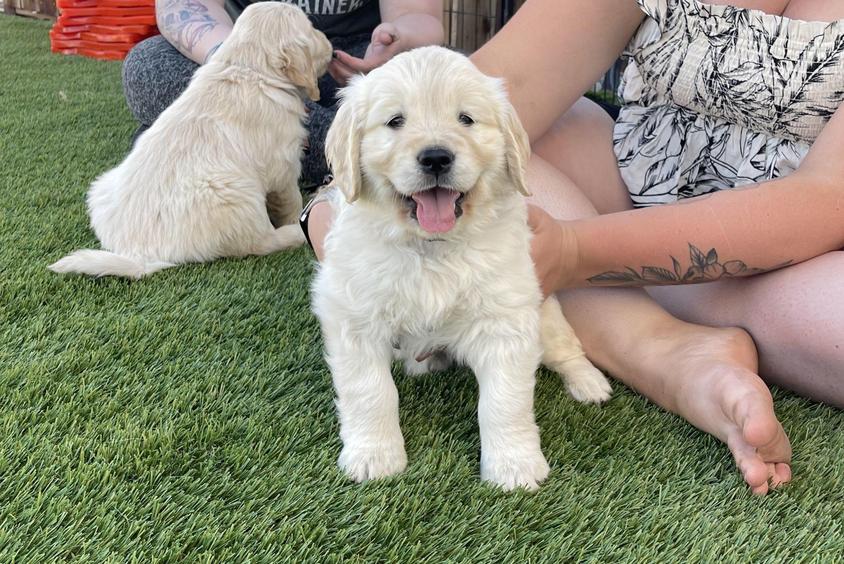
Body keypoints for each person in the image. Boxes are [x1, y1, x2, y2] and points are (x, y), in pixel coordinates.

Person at [304, 0, 844, 495]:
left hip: (797, 252)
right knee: (540, 128)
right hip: (624, 184)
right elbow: (501, 88)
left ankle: (649, 326)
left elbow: (828, 200)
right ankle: (656, 338)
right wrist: (339, 204)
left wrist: (572, 249)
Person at [121, 0, 444, 187]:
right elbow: (183, 8)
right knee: (149, 64)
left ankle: (219, 155)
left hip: (353, 66)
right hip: (248, 64)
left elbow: (421, 17)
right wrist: (241, 65)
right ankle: (355, 155)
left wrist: (397, 39)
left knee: (442, 74)